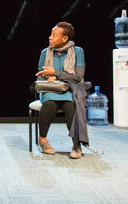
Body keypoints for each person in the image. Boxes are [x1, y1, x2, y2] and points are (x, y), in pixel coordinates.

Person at [35, 21, 88, 159]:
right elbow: (40, 75)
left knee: (70, 105)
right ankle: (43, 140)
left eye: (54, 35)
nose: (50, 38)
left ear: (65, 38)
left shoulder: (77, 51)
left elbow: (78, 77)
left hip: (70, 89)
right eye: (50, 35)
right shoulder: (45, 52)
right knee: (50, 104)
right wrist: (47, 78)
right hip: (50, 89)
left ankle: (76, 145)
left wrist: (56, 74)